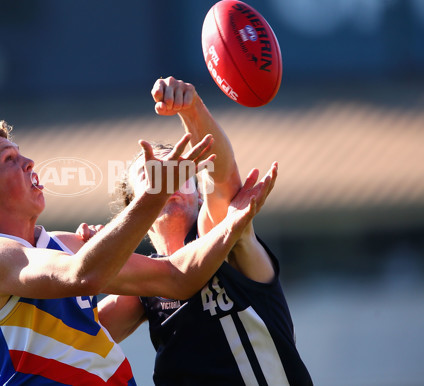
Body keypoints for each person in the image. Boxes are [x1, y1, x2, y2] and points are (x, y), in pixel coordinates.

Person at [0, 113, 276, 385]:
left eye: (21, 154)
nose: (29, 163)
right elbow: (85, 275)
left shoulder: (61, 245)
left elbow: (175, 278)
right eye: (9, 159)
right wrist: (154, 195)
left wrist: (234, 222)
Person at [94, 77, 313, 385]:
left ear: (198, 193)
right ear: (134, 206)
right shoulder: (144, 283)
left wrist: (191, 109)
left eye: (179, 170)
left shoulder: (219, 234)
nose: (166, 177)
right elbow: (72, 336)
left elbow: (221, 177)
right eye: (150, 171)